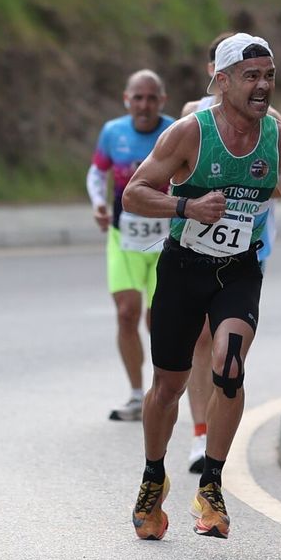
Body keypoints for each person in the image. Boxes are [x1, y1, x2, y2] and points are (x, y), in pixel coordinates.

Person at [122, 34, 281, 541]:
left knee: (229, 367)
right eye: (251, 76)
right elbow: (134, 195)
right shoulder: (189, 134)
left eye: (269, 75)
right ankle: (152, 476)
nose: (263, 86)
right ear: (223, 80)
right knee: (168, 384)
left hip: (238, 268)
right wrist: (188, 207)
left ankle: (211, 484)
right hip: (183, 267)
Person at [175, 32, 281, 476]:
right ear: (217, 76)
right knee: (199, 339)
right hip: (196, 244)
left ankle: (220, 417)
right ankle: (200, 434)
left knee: (228, 344)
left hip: (249, 243)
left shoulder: (272, 120)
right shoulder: (192, 117)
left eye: (265, 74)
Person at [85, 70, 174, 421]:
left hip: (164, 241)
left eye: (151, 98)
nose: (144, 105)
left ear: (162, 101)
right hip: (124, 238)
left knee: (158, 321)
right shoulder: (113, 132)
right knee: (126, 314)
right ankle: (137, 395)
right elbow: (97, 172)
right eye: (137, 97)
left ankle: (161, 392)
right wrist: (98, 204)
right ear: (127, 99)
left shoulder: (176, 130)